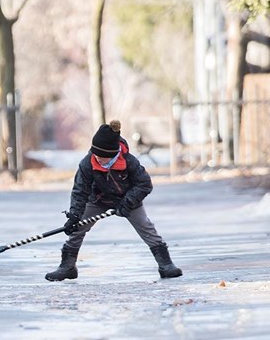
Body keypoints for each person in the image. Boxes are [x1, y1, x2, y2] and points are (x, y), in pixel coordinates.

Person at [45, 120, 182, 281]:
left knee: (147, 228)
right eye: (95, 154)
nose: (98, 159)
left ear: (112, 153)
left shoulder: (129, 161)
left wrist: (128, 203)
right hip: (97, 200)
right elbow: (79, 191)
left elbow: (144, 184)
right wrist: (74, 215)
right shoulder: (87, 163)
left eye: (102, 156)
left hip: (128, 200)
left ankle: (165, 265)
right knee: (77, 230)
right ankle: (67, 267)